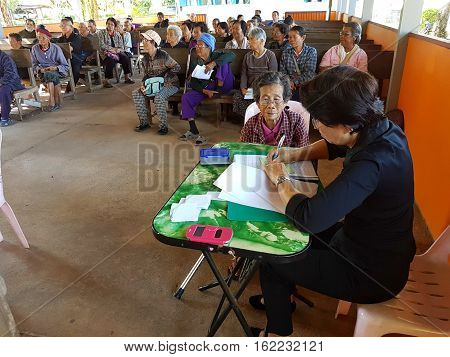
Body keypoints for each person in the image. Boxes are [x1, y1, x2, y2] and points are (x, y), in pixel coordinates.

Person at [251, 65, 416, 337]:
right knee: (284, 238)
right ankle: (282, 298)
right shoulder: (377, 125)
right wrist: (294, 155)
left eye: (319, 121)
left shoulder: (371, 163)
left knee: (273, 258)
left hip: (372, 272)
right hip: (365, 242)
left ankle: (278, 336)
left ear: (346, 124)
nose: (315, 125)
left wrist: (281, 177)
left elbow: (308, 217)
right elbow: (334, 144)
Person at [180, 33, 235, 145]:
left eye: (201, 46)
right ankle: (193, 129)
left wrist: (213, 63)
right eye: (197, 46)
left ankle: (218, 92)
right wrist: (205, 91)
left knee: (224, 62)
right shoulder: (196, 61)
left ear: (209, 47)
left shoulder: (217, 54)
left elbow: (232, 55)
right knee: (186, 97)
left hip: (224, 85)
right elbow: (194, 83)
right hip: (208, 88)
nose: (197, 48)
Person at [132, 30, 181, 135]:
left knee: (159, 96)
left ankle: (163, 127)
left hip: (170, 84)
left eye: (146, 40)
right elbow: (145, 76)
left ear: (153, 42)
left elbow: (177, 67)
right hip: (153, 85)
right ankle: (144, 123)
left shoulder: (163, 55)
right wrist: (143, 85)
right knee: (136, 93)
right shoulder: (145, 59)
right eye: (143, 40)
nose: (143, 42)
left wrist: (165, 79)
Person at [240, 72, 308, 147]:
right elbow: (242, 152)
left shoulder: (296, 122)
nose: (271, 105)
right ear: (258, 103)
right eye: (265, 99)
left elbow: (304, 153)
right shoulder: (251, 124)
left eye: (276, 99)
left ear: (285, 102)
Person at [232, 27, 277, 119]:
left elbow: (273, 77)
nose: (249, 42)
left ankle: (260, 121)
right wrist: (243, 88)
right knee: (238, 96)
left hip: (265, 89)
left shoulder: (270, 56)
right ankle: (249, 121)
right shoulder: (248, 56)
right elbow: (244, 74)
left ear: (261, 41)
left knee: (264, 99)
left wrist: (261, 90)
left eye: (252, 39)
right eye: (249, 39)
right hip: (250, 90)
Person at [31, 28, 69, 112]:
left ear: (49, 38)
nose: (41, 40)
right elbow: (34, 64)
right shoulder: (35, 48)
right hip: (42, 72)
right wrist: (40, 69)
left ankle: (52, 101)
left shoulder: (56, 48)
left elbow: (65, 65)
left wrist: (55, 68)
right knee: (49, 74)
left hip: (58, 71)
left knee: (50, 74)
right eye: (39, 38)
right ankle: (56, 101)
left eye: (43, 38)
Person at [280, 26, 317, 101]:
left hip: (305, 85)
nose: (291, 39)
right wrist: (288, 82)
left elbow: (309, 73)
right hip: (289, 86)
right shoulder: (285, 53)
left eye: (294, 37)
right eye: (290, 37)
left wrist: (294, 82)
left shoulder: (311, 51)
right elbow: (282, 72)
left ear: (303, 37)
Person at [97, 17, 134, 88]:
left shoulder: (117, 34)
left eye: (112, 24)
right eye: (108, 24)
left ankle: (127, 77)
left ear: (115, 26)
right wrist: (111, 49)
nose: (110, 26)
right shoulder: (101, 33)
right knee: (110, 60)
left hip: (117, 53)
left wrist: (117, 50)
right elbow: (101, 45)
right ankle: (107, 81)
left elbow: (122, 47)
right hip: (106, 53)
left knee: (125, 57)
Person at [57, 18, 83, 91]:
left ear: (71, 27)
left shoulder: (76, 37)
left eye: (64, 26)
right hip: (64, 60)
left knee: (75, 71)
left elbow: (69, 49)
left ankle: (70, 89)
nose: (62, 27)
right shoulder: (61, 38)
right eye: (61, 26)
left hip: (76, 60)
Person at [0, 50, 24, 126]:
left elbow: (10, 74)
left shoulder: (5, 58)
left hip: (12, 82)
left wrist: (1, 82)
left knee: (3, 91)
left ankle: (5, 117)